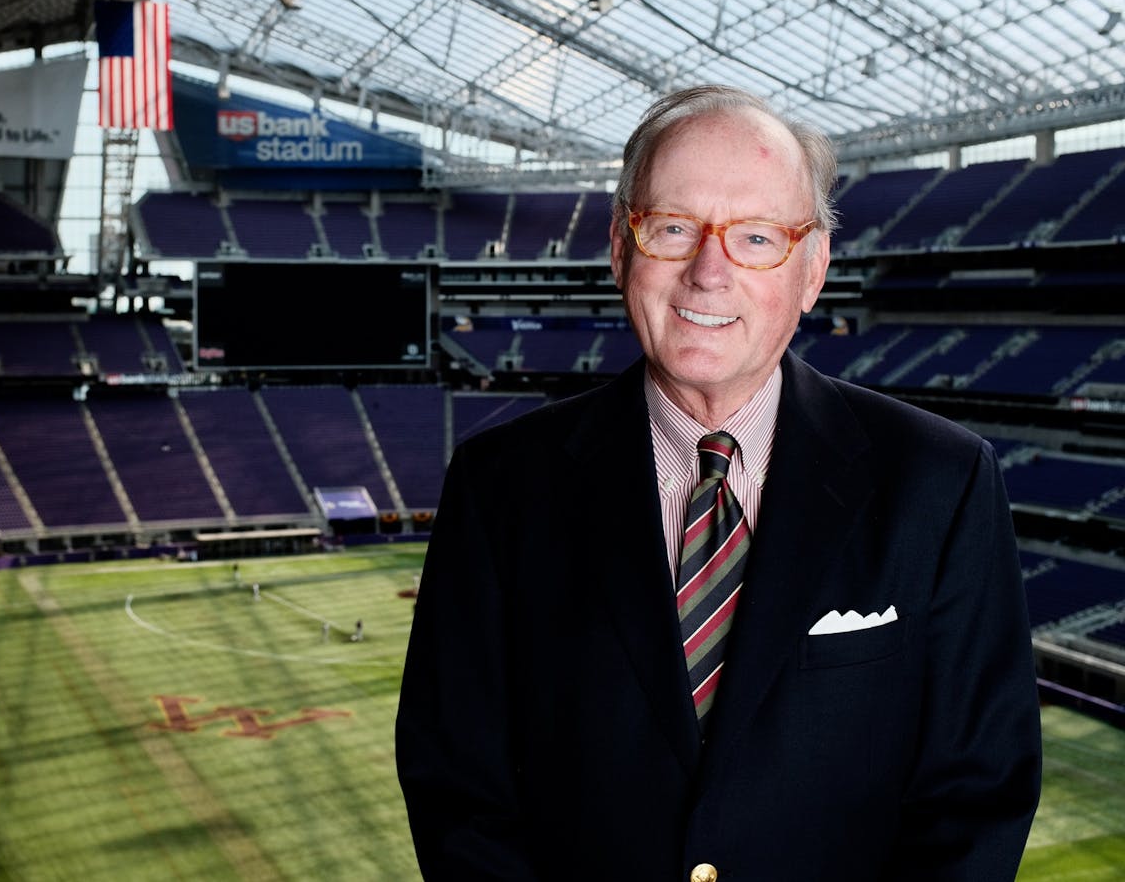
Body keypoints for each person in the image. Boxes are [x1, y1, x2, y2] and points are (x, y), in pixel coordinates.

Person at [396, 85, 1041, 880]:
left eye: (758, 238)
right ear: (620, 247)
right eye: (673, 228)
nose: (709, 272)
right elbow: (459, 793)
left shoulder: (941, 483)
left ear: (812, 270)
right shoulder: (497, 487)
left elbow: (977, 800)